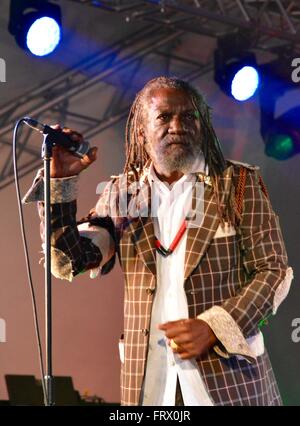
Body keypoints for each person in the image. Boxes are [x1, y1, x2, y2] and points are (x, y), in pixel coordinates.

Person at [23, 76, 293, 406]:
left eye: (189, 117)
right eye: (164, 117)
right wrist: (60, 182)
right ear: (141, 132)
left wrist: (215, 326)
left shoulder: (237, 184)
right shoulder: (121, 194)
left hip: (229, 384)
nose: (177, 126)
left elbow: (274, 272)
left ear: (202, 126)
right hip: (153, 384)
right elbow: (67, 261)